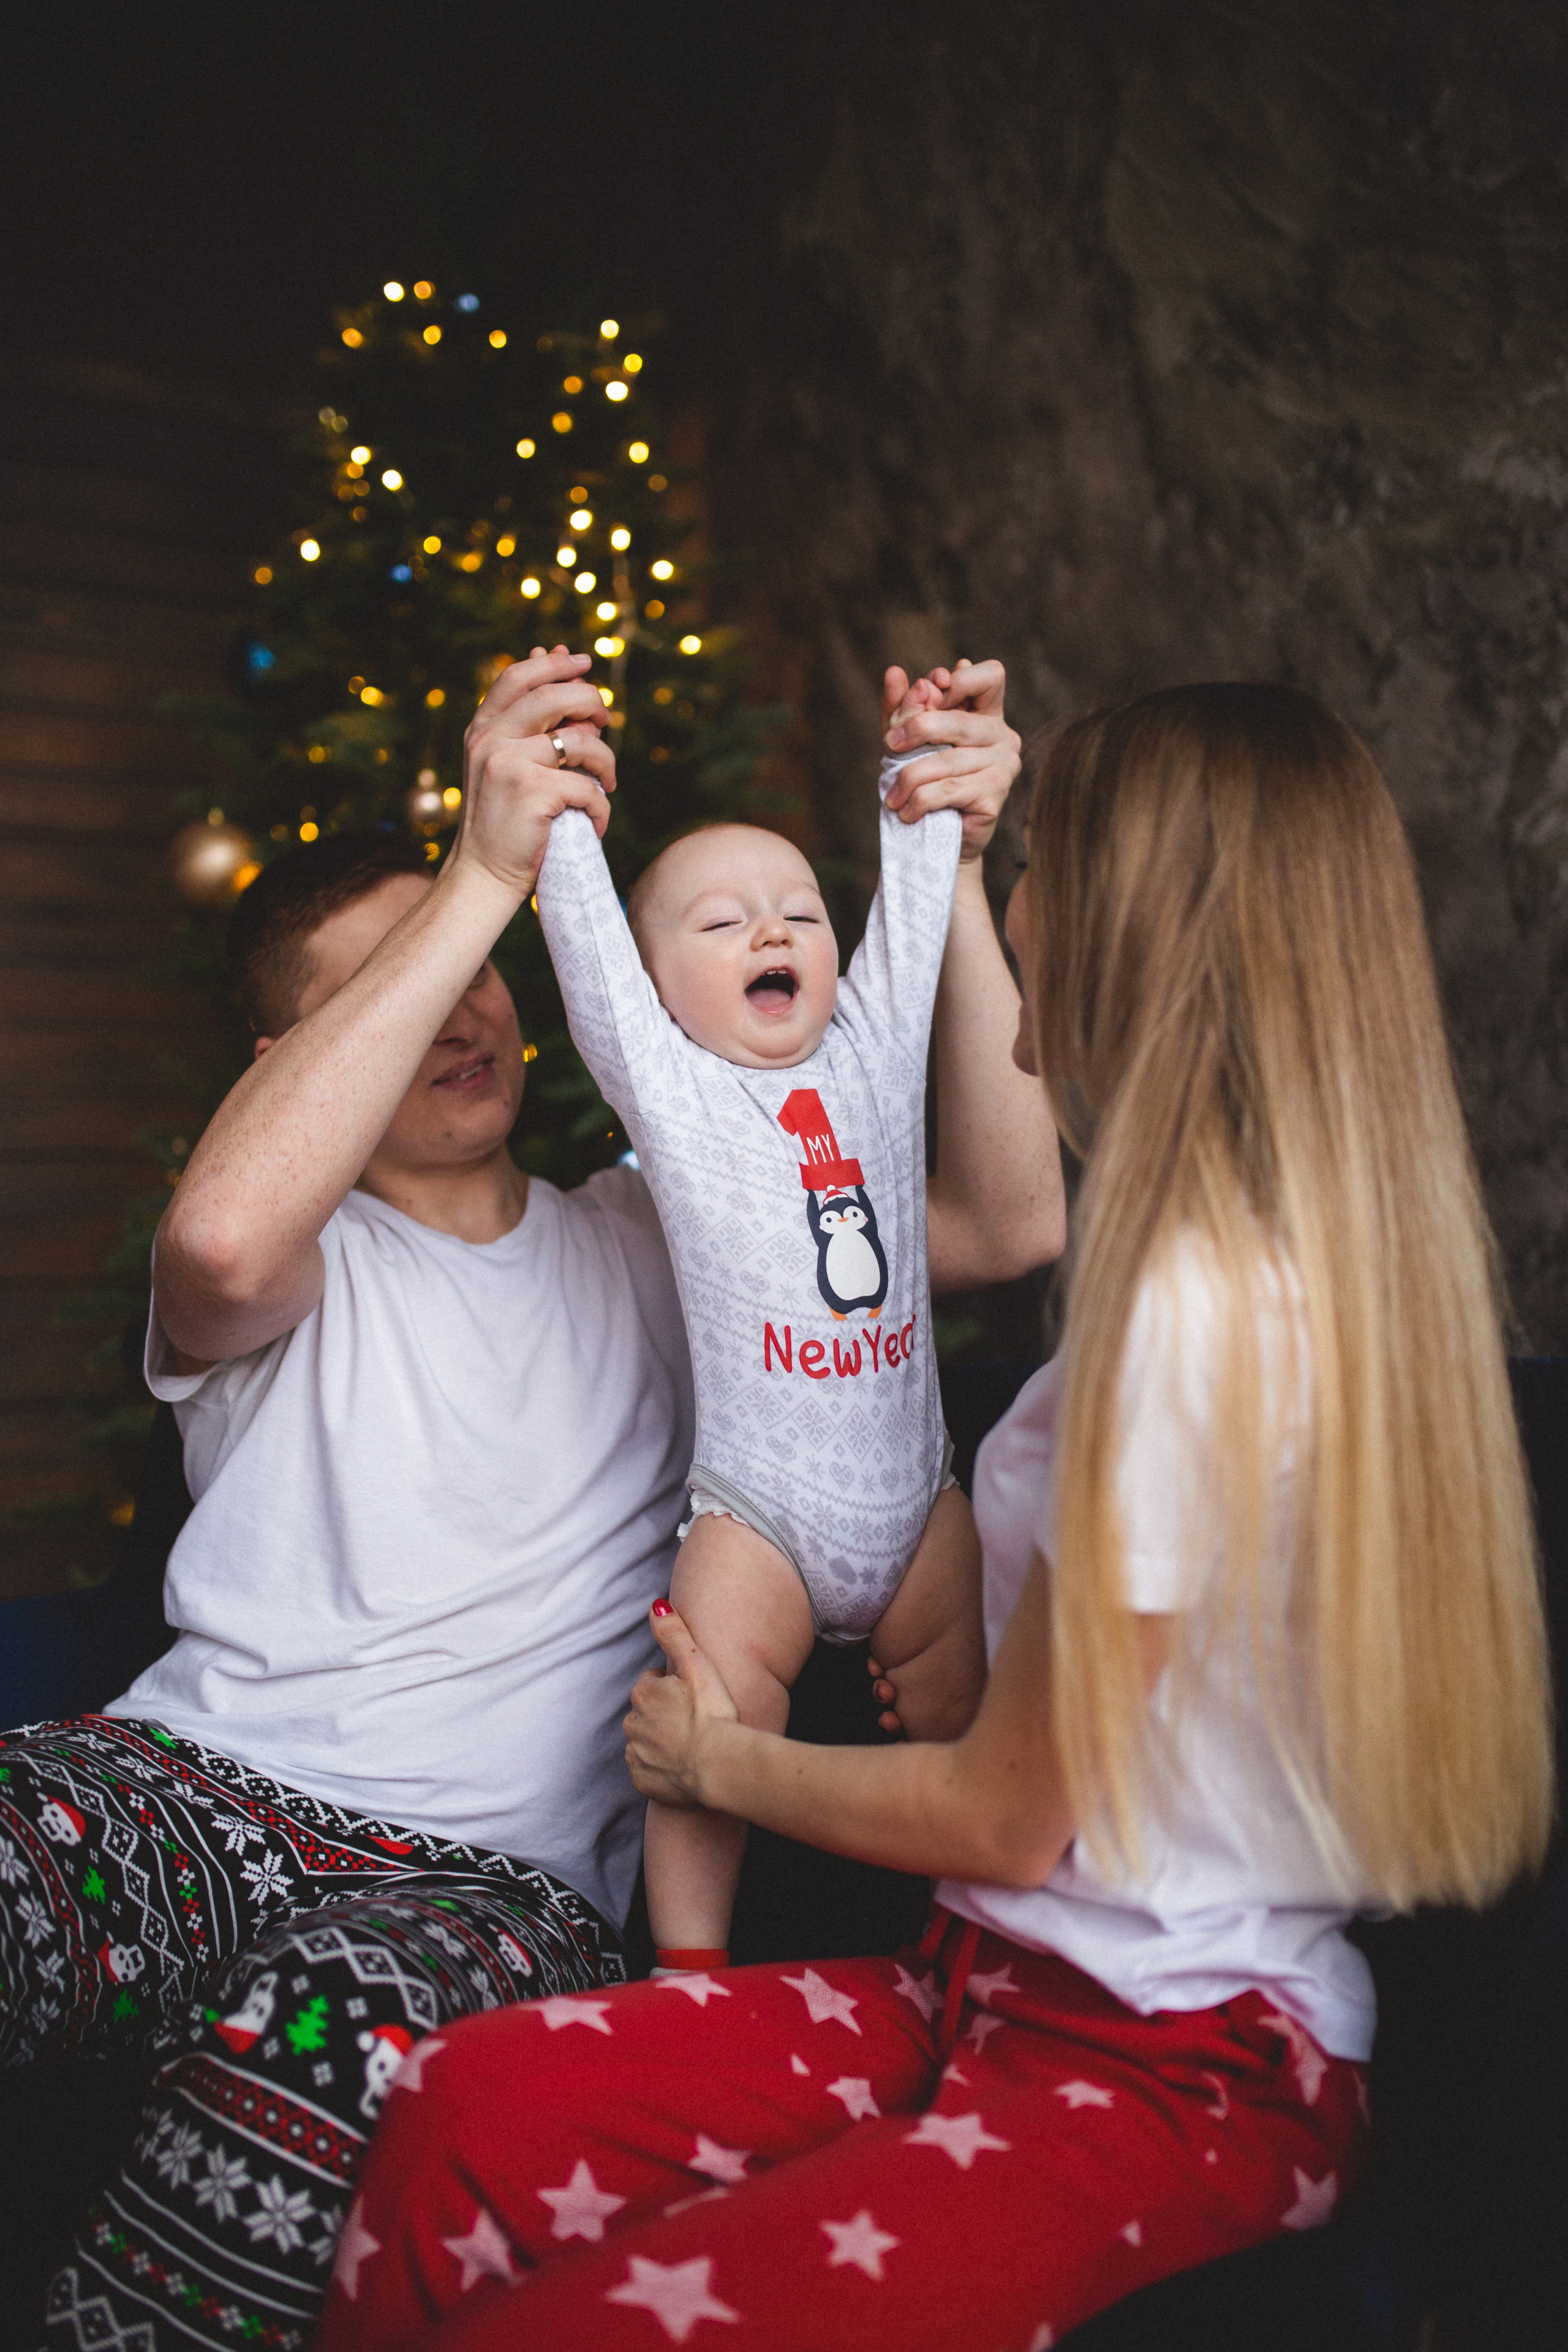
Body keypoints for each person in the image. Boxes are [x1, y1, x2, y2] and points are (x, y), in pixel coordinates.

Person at [314, 681, 1555, 2352]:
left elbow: (1011, 1818)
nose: (1012, 889)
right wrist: (934, 842)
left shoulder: (1203, 1318)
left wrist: (717, 1763)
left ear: (1128, 921)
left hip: (1176, 2056)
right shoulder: (1194, 1271)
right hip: (984, 1988)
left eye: (1035, 859)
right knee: (470, 2107)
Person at [0, 646, 1063, 2352]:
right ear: (303, 1054)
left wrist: (971, 860)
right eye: (406, 984)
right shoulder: (282, 1269)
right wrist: (481, 869)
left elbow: (1009, 1229)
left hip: (490, 1885)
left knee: (327, 2025)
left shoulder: (665, 1235)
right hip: (190, 1786)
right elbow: (211, 1238)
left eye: (481, 966)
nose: (469, 1003)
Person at [534, 665, 989, 1978]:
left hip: (920, 1500)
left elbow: (909, 919)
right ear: (658, 988)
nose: (770, 933)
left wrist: (917, 772)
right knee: (708, 1720)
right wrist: (563, 810)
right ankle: (686, 1969)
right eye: (721, 923)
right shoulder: (670, 1094)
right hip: (761, 1514)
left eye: (796, 912)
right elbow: (587, 957)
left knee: (961, 1711)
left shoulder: (870, 1049)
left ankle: (966, 1940)